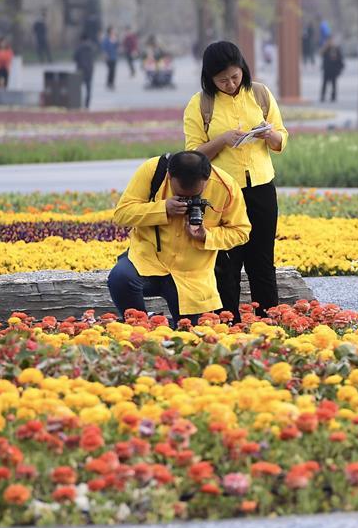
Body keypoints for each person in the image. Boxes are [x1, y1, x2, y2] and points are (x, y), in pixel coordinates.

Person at [183, 41, 289, 323]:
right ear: (209, 78)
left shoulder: (260, 94)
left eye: (235, 76)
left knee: (262, 262)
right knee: (226, 264)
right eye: (222, 80)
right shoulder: (200, 104)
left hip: (261, 188)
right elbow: (192, 154)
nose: (230, 84)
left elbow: (281, 138)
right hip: (222, 194)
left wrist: (270, 136)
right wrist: (221, 140)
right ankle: (228, 324)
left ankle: (268, 321)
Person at [108, 150, 251, 327]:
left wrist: (206, 235)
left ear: (207, 179)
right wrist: (163, 208)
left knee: (190, 336)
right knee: (120, 277)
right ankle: (140, 327)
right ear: (169, 175)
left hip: (191, 277)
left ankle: (161, 325)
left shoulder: (226, 186)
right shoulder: (154, 171)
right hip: (148, 262)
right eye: (181, 195)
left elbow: (241, 232)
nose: (187, 200)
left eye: (193, 196)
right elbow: (122, 215)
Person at [74, 34, 97, 108]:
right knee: (88, 89)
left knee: (78, 88)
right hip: (89, 70)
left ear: (81, 40)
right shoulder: (92, 47)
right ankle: (87, 105)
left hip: (80, 70)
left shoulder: (79, 48)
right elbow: (94, 57)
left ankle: (78, 104)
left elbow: (75, 58)